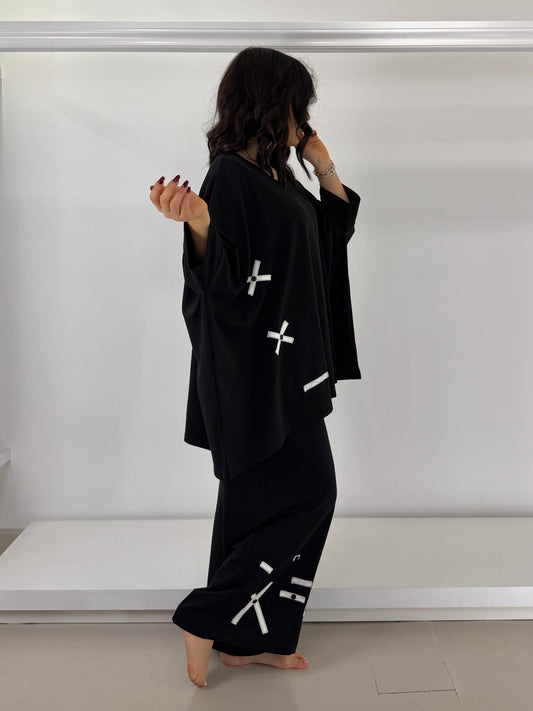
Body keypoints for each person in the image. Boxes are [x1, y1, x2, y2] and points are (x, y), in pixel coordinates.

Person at [149, 46, 362, 688]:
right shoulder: (230, 177)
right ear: (270, 104)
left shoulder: (277, 175)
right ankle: (205, 617)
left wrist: (323, 167)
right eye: (298, 105)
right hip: (257, 375)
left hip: (287, 367)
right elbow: (220, 279)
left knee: (250, 506)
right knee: (313, 492)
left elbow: (326, 239)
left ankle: (243, 642)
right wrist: (198, 223)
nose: (305, 117)